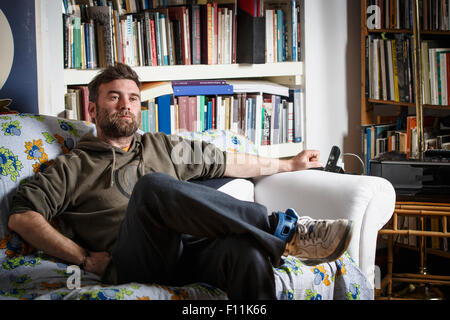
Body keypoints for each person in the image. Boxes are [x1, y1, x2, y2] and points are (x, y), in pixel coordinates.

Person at [8, 63, 353, 300]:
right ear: (93, 109)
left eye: (132, 98)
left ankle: (279, 237)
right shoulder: (72, 166)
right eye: (113, 96)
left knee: (247, 253)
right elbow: (22, 214)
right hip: (135, 259)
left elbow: (227, 160)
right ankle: (286, 231)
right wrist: (83, 258)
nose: (125, 105)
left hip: (191, 251)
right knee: (152, 187)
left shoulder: (162, 146)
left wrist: (288, 163)